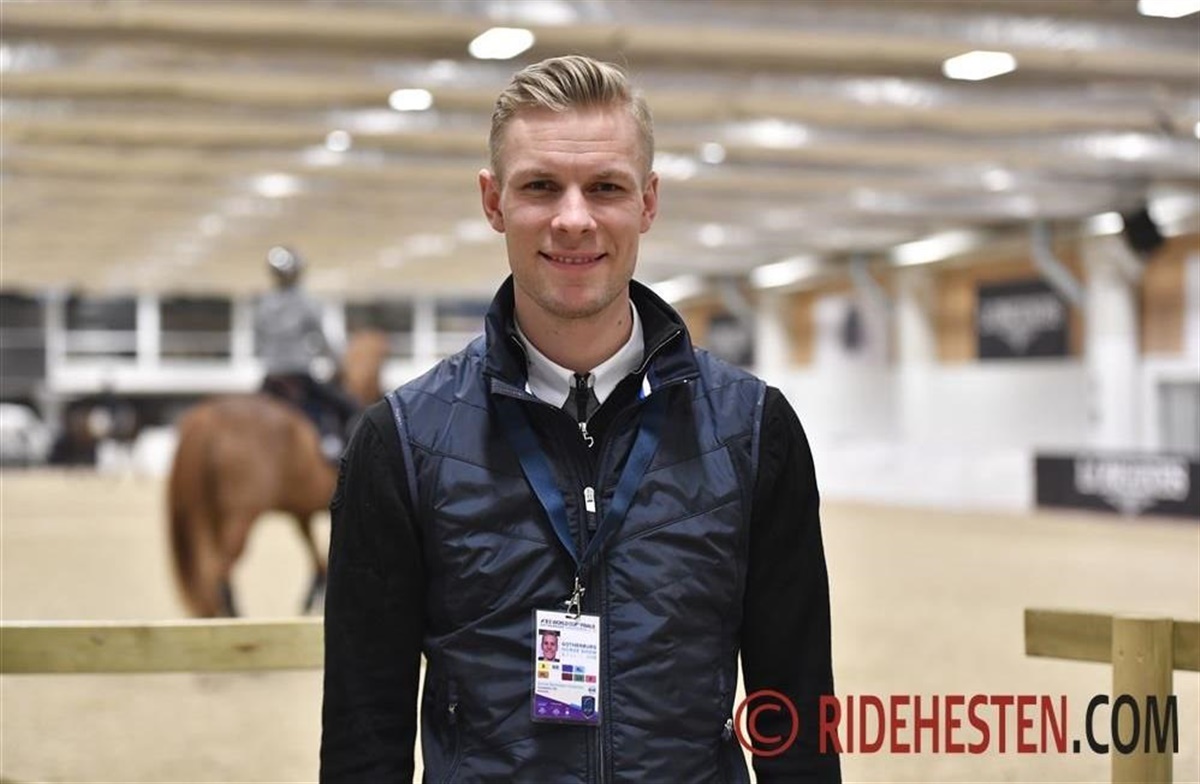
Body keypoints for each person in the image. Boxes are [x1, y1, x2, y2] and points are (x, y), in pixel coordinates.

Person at [320, 55, 839, 783]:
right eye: (540, 186)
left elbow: (797, 714)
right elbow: (363, 734)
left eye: (605, 187)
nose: (573, 219)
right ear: (493, 201)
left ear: (647, 203)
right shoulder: (402, 443)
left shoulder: (753, 430)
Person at [253, 245, 359, 459]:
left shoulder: (261, 305)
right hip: (300, 377)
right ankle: (336, 451)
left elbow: (257, 345)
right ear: (298, 272)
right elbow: (321, 341)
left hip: (271, 378)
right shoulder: (308, 303)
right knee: (350, 408)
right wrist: (337, 363)